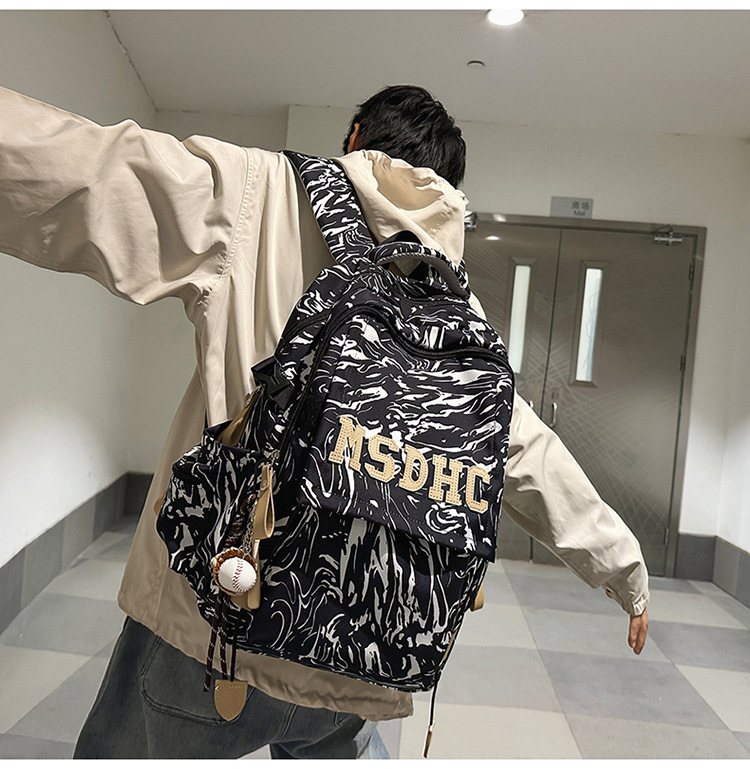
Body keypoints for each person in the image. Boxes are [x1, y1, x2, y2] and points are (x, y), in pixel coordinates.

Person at [0, 83, 649, 759]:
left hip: (217, 627)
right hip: (362, 654)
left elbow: (93, 171)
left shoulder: (258, 195)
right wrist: (624, 569)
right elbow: (525, 450)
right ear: (450, 187)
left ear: (355, 138)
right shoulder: (455, 303)